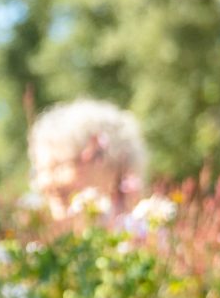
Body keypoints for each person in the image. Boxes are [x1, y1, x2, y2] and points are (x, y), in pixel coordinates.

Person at [27, 99, 148, 232]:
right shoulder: (37, 241)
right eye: (40, 170)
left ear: (103, 162)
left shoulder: (142, 235)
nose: (45, 182)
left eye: (58, 167)